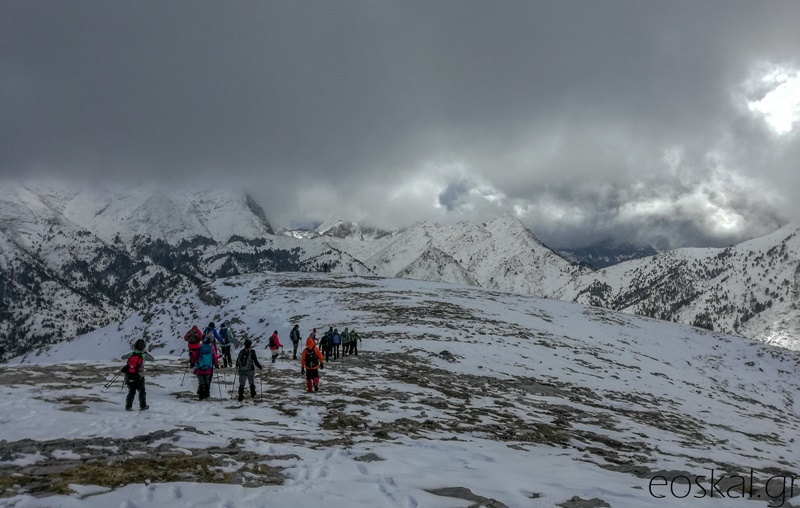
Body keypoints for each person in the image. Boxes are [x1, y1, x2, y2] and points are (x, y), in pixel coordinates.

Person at [121, 339, 154, 411]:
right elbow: (152, 359)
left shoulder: (131, 354)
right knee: (142, 391)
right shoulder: (143, 355)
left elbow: (122, 357)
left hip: (129, 375)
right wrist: (146, 353)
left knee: (131, 391)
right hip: (139, 376)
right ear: (143, 347)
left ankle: (128, 406)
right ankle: (142, 406)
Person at [192, 334, 219, 400]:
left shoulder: (200, 346)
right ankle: (207, 394)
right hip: (208, 368)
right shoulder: (211, 347)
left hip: (200, 367)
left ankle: (201, 395)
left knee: (201, 381)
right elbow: (214, 357)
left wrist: (193, 361)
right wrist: (216, 364)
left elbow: (195, 356)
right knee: (207, 381)